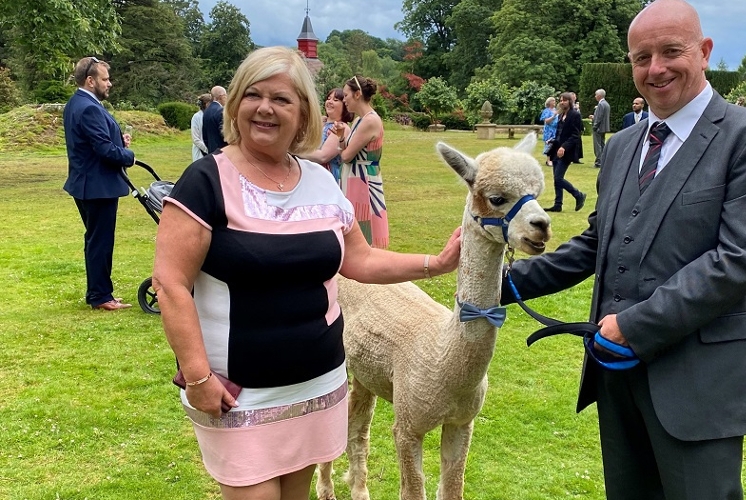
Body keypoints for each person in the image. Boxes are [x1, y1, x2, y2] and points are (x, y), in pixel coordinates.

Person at [501, 0, 746, 498]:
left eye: (671, 51)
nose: (655, 68)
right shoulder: (622, 145)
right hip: (618, 381)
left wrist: (635, 325)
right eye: (641, 57)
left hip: (700, 383)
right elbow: (598, 243)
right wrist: (496, 282)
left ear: (704, 52)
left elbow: (741, 258)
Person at [151, 46, 462, 500]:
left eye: (281, 99)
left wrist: (437, 263)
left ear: (303, 114)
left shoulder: (319, 182)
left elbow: (360, 260)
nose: (265, 108)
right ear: (235, 104)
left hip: (317, 384)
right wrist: (198, 378)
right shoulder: (205, 181)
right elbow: (170, 283)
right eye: (253, 95)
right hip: (238, 392)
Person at [63, 56, 136, 311]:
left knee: (95, 240)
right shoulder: (90, 107)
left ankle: (99, 292)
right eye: (105, 79)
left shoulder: (77, 103)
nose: (110, 84)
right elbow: (104, 150)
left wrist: (118, 138)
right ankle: (101, 296)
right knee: (100, 241)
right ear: (90, 80)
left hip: (86, 183)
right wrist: (129, 156)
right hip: (97, 186)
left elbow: (94, 140)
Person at [307, 75, 388, 248]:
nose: (344, 100)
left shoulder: (370, 120)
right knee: (357, 221)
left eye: (345, 95)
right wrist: (341, 136)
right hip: (355, 175)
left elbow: (345, 156)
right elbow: (345, 148)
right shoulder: (360, 120)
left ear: (357, 94)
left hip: (363, 178)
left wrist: (342, 142)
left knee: (364, 223)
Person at [544, 92, 587, 213]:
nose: (562, 102)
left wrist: (564, 147)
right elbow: (560, 132)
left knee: (558, 178)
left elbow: (575, 135)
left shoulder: (575, 115)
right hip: (556, 150)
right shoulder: (561, 114)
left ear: (570, 102)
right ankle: (558, 204)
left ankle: (578, 195)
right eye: (561, 100)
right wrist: (552, 140)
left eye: (565, 100)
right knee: (556, 178)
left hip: (566, 151)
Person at [313, 88, 353, 183]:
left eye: (335, 100)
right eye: (328, 98)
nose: (330, 102)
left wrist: (294, 152)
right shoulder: (322, 124)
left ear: (345, 105)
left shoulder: (341, 127)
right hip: (313, 175)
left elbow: (323, 156)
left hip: (327, 177)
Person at [202, 85, 228, 154]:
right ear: (221, 97)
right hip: (222, 151)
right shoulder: (221, 111)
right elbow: (224, 134)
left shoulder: (206, 111)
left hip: (211, 151)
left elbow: (205, 136)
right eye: (225, 96)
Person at [590, 89, 611, 168]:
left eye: (596, 95)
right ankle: (603, 160)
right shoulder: (606, 104)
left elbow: (599, 117)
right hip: (604, 128)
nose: (595, 96)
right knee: (602, 144)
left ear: (599, 96)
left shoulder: (601, 104)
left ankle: (599, 162)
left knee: (597, 145)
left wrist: (595, 126)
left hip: (598, 128)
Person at [191, 93, 212, 161]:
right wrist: (207, 149)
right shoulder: (196, 117)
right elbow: (196, 139)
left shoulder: (212, 115)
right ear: (207, 104)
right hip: (200, 153)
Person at [540, 96, 559, 165]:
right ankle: (548, 160)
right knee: (549, 145)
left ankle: (554, 159)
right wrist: (553, 116)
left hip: (556, 129)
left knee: (555, 144)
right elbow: (546, 121)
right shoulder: (546, 111)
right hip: (549, 130)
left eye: (554, 101)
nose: (554, 102)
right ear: (549, 102)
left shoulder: (555, 110)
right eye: (553, 101)